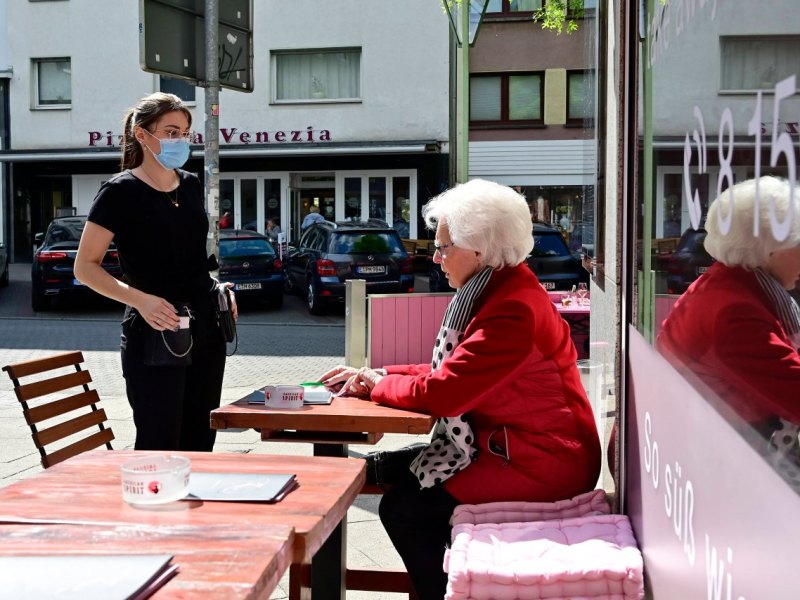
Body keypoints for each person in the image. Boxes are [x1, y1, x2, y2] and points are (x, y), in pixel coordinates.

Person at [319, 178, 601, 600]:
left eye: (444, 246)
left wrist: (378, 384)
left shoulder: (512, 309)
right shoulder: (501, 290)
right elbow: (454, 371)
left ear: (480, 248)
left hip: (541, 462)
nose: (435, 257)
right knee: (373, 471)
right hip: (509, 447)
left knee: (404, 510)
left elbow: (446, 392)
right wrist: (376, 373)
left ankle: (449, 592)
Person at [74, 92, 237, 452]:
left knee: (200, 439)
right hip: (155, 332)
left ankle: (195, 510)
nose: (181, 140)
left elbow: (191, 258)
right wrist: (141, 301)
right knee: (159, 446)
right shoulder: (119, 192)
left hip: (206, 329)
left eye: (185, 133)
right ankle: (154, 509)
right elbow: (85, 267)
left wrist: (217, 288)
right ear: (143, 135)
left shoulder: (191, 184)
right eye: (172, 131)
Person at [656, 176, 800, 486]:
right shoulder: (735, 312)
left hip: (700, 455)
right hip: (713, 473)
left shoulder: (727, 285)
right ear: (770, 250)